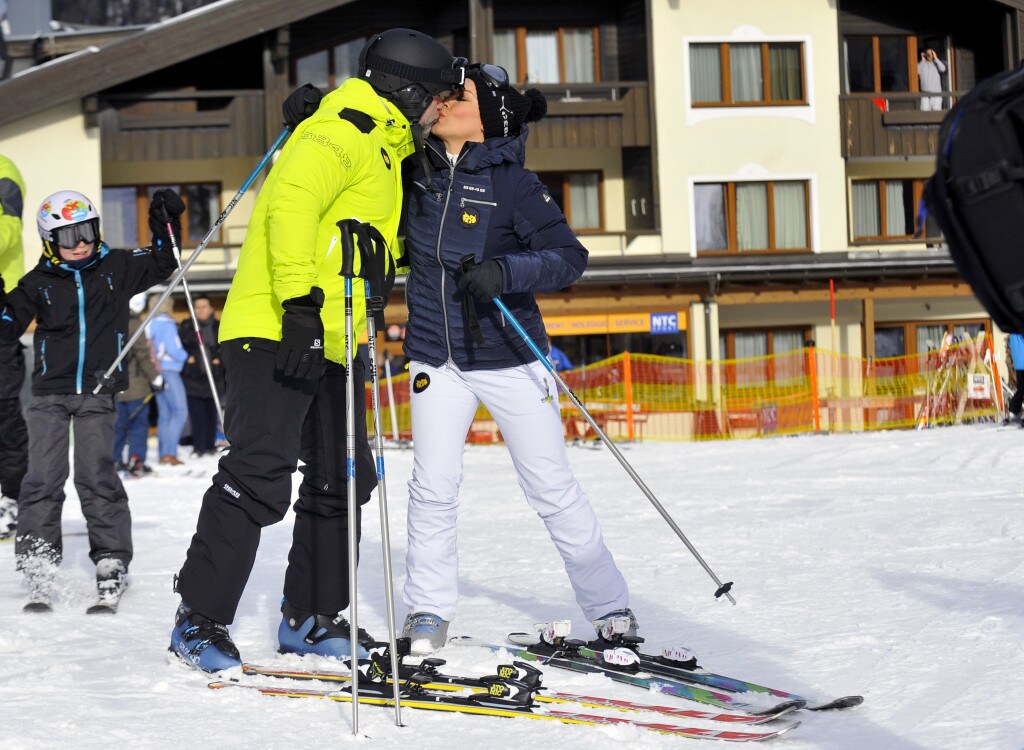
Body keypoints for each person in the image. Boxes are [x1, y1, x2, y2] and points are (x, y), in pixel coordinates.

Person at [169, 28, 465, 672]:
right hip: (275, 325)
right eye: (435, 96)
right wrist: (300, 305)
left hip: (335, 335)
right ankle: (198, 619)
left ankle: (310, 616)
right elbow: (291, 208)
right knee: (259, 474)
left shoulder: (389, 151)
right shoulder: (343, 129)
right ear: (407, 88)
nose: (439, 108)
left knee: (345, 476)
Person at [399, 63, 636, 655]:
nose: (447, 103)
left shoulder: (513, 184)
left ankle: (610, 607)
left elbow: (568, 257)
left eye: (463, 96)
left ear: (488, 118)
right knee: (432, 488)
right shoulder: (412, 171)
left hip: (509, 356)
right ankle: (427, 611)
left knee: (551, 485)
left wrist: (505, 271)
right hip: (436, 356)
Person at [0, 188, 182, 609]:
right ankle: (38, 562)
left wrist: (164, 224)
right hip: (49, 394)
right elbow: (7, 326)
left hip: (98, 391)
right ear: (49, 240)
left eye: (86, 230)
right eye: (67, 236)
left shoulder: (117, 266)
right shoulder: (38, 282)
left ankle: (111, 559)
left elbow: (164, 260)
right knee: (41, 479)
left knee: (96, 475)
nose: (80, 242)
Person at [0, 155, 28, 540]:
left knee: (4, 414)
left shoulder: (4, 170)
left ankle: (13, 499)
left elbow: (9, 227)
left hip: (3, 306)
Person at [113, 294, 163, 477]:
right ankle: (137, 460)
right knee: (138, 425)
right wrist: (156, 378)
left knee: (118, 425)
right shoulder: (135, 324)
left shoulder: (111, 321)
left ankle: (115, 459)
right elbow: (143, 355)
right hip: (135, 386)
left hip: (115, 387)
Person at [178, 294, 224, 457]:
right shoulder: (187, 326)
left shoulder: (219, 326)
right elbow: (179, 348)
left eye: (204, 307)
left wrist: (220, 358)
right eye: (197, 307)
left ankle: (210, 444)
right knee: (197, 414)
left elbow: (226, 347)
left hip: (214, 377)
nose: (200, 310)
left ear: (211, 309)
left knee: (212, 413)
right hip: (194, 377)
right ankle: (199, 446)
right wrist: (187, 359)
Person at [147, 297, 188, 465]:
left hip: (156, 372)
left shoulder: (150, 324)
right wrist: (184, 356)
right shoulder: (167, 324)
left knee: (164, 414)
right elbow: (173, 348)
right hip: (170, 369)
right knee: (180, 411)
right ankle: (170, 453)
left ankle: (163, 453)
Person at [1006, 333, 1024, 424]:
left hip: (1018, 365)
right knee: (1021, 389)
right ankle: (1014, 410)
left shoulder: (1012, 334)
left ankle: (1013, 410)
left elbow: (1010, 346)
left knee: (1021, 389)